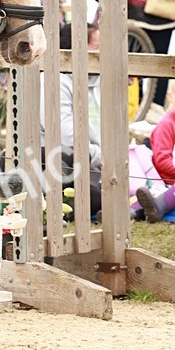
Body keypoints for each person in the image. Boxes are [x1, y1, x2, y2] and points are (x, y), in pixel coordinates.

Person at [40, 21, 102, 219]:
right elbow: (67, 136)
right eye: (97, 48)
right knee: (68, 157)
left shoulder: (96, 80)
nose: (102, 54)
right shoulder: (55, 81)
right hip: (51, 160)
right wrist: (104, 157)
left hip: (88, 165)